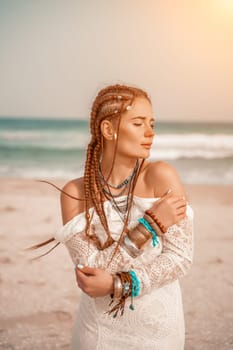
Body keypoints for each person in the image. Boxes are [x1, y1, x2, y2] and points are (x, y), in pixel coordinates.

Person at [53, 84, 194, 349]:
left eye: (152, 123)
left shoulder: (161, 177)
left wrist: (120, 285)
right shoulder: (75, 193)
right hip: (97, 333)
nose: (150, 132)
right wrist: (149, 226)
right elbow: (92, 272)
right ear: (109, 130)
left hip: (158, 329)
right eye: (138, 123)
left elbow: (180, 259)